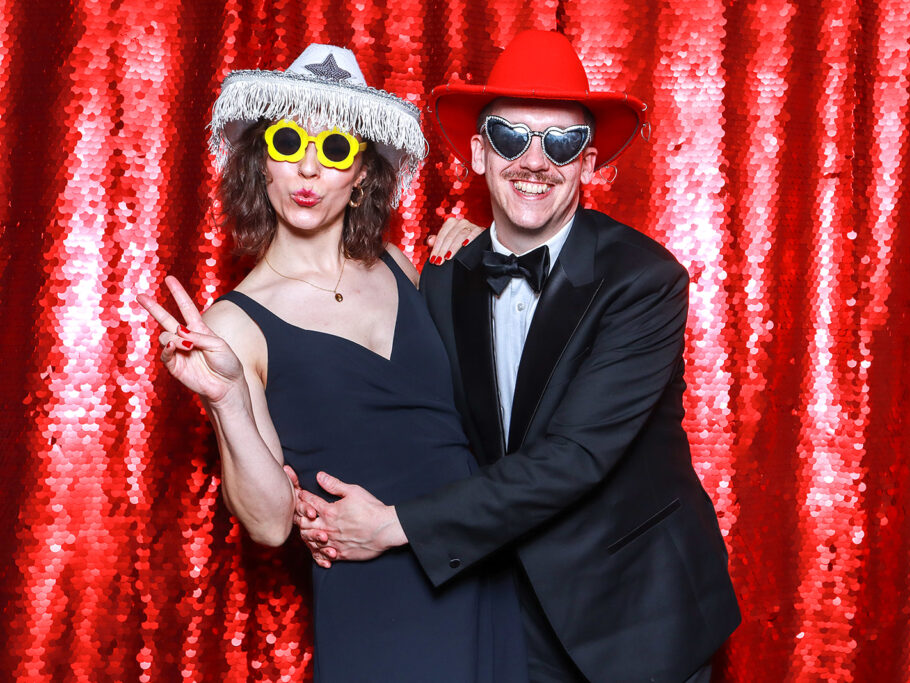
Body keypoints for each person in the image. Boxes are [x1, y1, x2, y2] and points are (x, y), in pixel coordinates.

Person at [293, 30, 741, 683]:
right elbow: (416, 422)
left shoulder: (644, 280)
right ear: (478, 153)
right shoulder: (445, 282)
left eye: (560, 143)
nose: (534, 160)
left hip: (638, 614)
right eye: (510, 137)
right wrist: (296, 482)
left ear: (588, 163)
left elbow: (574, 457)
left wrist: (393, 526)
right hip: (505, 611)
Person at [137, 44, 525, 682]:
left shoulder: (401, 266)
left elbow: (482, 398)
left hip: (476, 558)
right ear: (262, 162)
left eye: (335, 149)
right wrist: (227, 397)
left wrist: (476, 259)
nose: (308, 169)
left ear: (363, 176)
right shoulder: (235, 322)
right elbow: (266, 524)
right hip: (377, 596)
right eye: (289, 142)